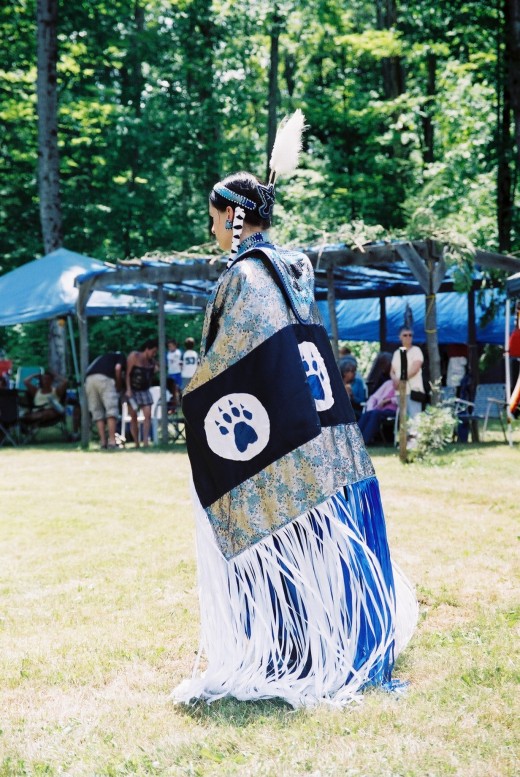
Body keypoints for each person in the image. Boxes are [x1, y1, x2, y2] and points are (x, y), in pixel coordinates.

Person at [172, 111, 417, 709]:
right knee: (314, 541)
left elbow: (236, 358)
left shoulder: (246, 277)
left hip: (280, 442)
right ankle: (320, 633)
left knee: (285, 537)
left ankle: (293, 646)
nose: (212, 230)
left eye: (213, 219)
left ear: (232, 217)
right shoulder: (290, 269)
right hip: (322, 439)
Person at [85, 351, 126, 449]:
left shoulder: (101, 357)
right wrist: (118, 385)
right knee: (111, 409)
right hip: (105, 379)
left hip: (89, 380)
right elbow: (118, 368)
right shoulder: (120, 356)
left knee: (97, 411)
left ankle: (103, 442)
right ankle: (112, 442)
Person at [126, 339, 158, 447]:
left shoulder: (152, 362)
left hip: (145, 390)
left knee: (147, 415)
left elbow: (153, 374)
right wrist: (128, 389)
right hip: (133, 390)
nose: (154, 354)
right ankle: (136, 443)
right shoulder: (134, 356)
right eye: (153, 351)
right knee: (133, 416)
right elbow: (127, 374)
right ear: (147, 349)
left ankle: (145, 441)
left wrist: (154, 368)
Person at [390, 327, 425, 419]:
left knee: (415, 420)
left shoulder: (416, 350)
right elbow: (392, 371)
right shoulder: (397, 353)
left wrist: (401, 380)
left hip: (413, 390)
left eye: (410, 335)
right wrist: (394, 380)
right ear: (400, 337)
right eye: (405, 335)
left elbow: (415, 368)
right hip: (399, 391)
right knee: (403, 421)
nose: (408, 337)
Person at [357, 379, 398, 445]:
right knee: (367, 413)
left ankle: (363, 441)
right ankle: (353, 438)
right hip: (380, 410)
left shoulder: (405, 384)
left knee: (375, 413)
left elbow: (403, 400)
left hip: (393, 411)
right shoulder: (388, 383)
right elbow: (374, 397)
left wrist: (389, 400)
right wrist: (370, 409)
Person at [166, 339, 182, 405]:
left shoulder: (179, 352)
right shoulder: (168, 354)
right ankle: (175, 403)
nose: (170, 348)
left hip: (178, 373)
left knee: (179, 389)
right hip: (171, 373)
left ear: (175, 346)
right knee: (173, 390)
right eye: (169, 346)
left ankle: (180, 402)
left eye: (171, 346)